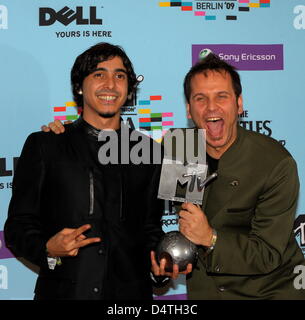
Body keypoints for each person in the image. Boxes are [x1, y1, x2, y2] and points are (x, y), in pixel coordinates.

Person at [4, 42, 168, 300]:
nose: (110, 84)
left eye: (120, 76)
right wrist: (47, 249)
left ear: (129, 88)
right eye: (98, 74)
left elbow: (150, 229)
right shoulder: (47, 144)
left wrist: (160, 266)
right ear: (79, 87)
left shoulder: (150, 152)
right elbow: (17, 227)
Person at [177, 52, 305, 299]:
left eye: (221, 96)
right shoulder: (181, 147)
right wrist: (166, 259)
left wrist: (210, 238)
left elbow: (268, 253)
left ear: (239, 104)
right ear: (189, 110)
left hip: (266, 293)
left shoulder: (277, 163)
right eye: (200, 98)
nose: (211, 107)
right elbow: (183, 223)